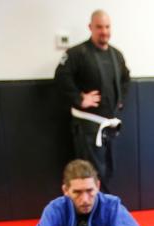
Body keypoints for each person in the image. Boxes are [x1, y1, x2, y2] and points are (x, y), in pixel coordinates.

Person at [55, 9, 130, 192]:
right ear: (91, 27)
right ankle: (92, 213)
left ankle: (104, 209)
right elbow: (61, 77)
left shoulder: (116, 54)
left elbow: (125, 78)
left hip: (109, 125)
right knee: (91, 173)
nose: (104, 31)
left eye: (107, 27)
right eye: (99, 27)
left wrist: (120, 100)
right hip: (87, 125)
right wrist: (79, 98)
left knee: (108, 170)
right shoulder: (77, 53)